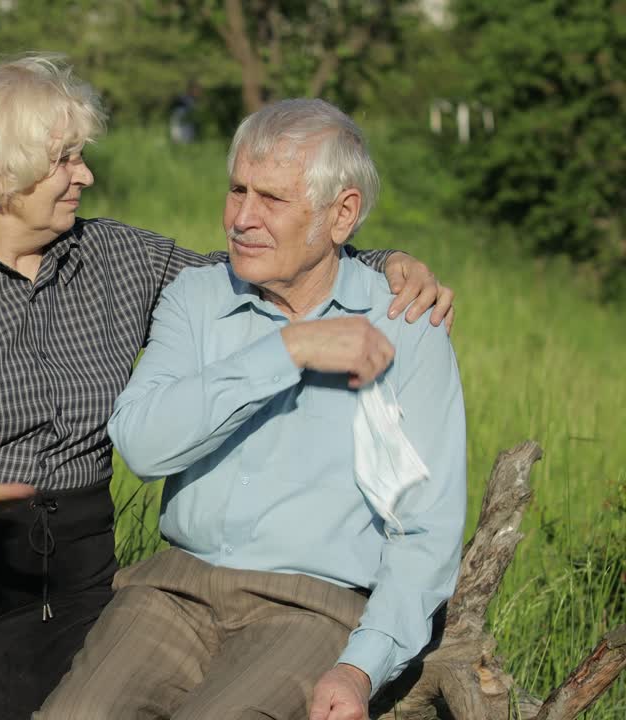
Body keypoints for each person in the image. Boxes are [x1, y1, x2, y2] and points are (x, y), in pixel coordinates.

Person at [0, 56, 454, 720]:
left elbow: (260, 264)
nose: (86, 174)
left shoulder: (117, 257)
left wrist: (385, 263)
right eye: (65, 158)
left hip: (56, 568)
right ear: (3, 173)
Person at [36, 98, 467, 720]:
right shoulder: (198, 297)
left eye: (272, 199)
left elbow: (425, 528)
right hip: (172, 589)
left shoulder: (407, 327)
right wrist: (287, 350)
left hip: (313, 607)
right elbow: (143, 445)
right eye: (237, 190)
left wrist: (359, 666)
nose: (241, 217)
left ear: (342, 214)